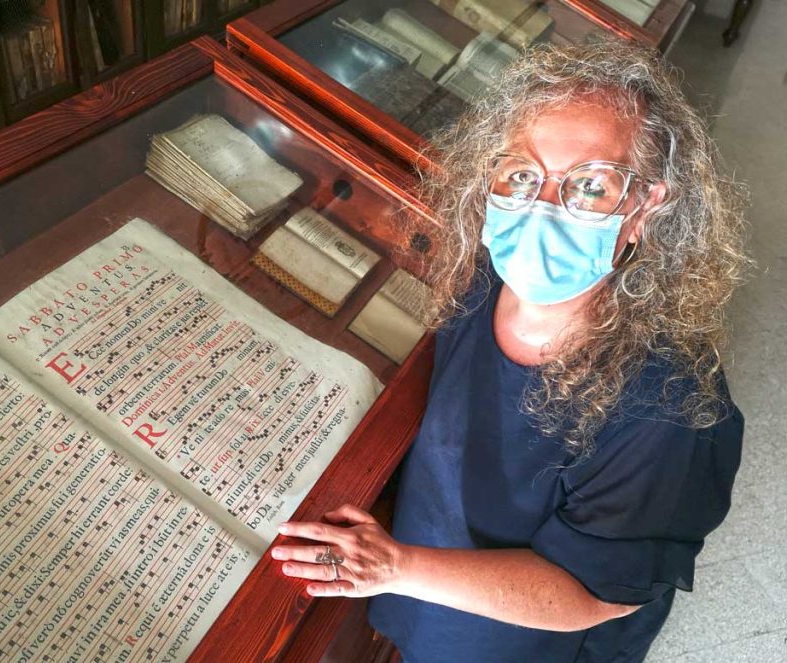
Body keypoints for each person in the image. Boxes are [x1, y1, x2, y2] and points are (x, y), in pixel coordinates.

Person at [272, 40, 750, 662]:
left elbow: (593, 593)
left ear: (643, 208)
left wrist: (396, 566)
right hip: (422, 587)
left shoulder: (670, 410)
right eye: (523, 175)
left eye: (590, 186)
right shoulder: (482, 281)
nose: (542, 210)